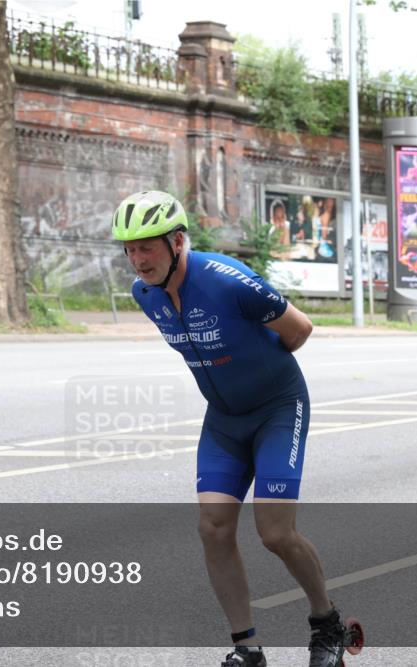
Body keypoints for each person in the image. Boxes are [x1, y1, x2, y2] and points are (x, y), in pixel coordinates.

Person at [110, 191, 352, 667]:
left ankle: (327, 624)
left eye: (147, 247)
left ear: (177, 241)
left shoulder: (228, 280)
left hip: (278, 409)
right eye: (129, 249)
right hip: (223, 420)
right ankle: (247, 649)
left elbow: (299, 328)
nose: (137, 259)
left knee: (275, 533)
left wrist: (261, 375)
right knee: (214, 528)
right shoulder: (145, 294)